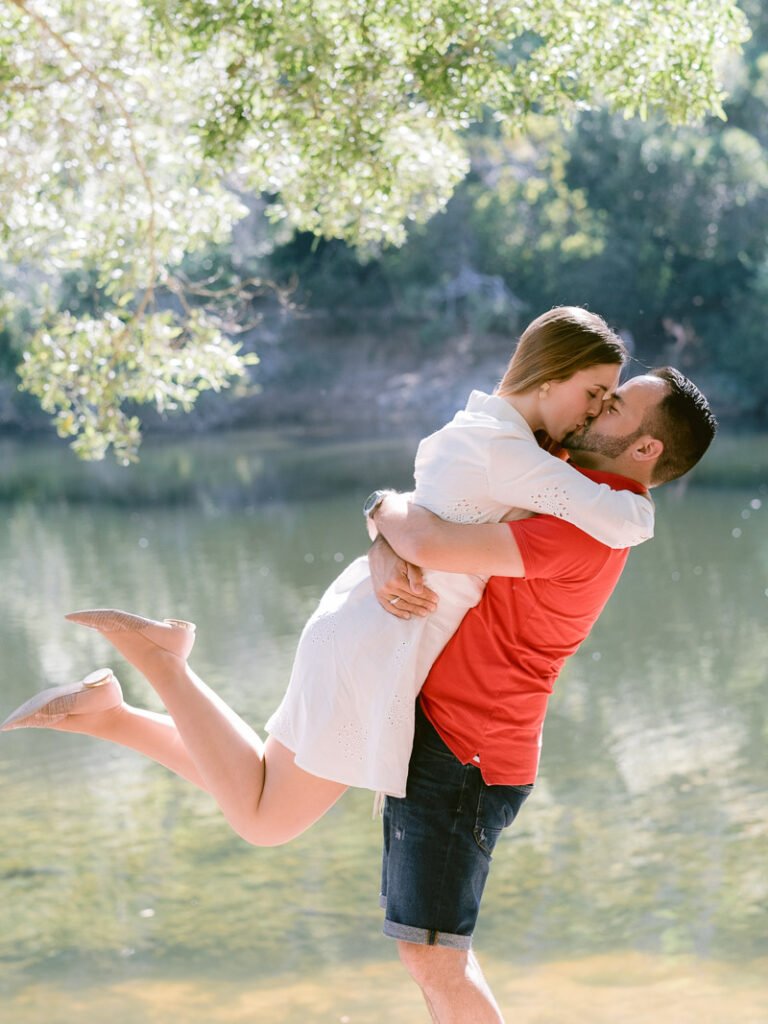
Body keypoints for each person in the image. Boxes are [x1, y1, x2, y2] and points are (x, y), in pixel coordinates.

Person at [1, 307, 654, 848]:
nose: (595, 413)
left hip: (363, 620)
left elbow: (420, 510)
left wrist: (380, 521)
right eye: (593, 394)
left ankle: (110, 716)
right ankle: (163, 663)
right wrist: (644, 496)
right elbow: (616, 520)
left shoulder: (480, 427)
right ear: (548, 376)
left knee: (259, 783)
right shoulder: (513, 454)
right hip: (380, 643)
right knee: (263, 820)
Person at [362, 367, 717, 1022]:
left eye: (612, 406)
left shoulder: (591, 526)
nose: (593, 410)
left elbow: (423, 538)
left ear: (645, 450)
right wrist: (386, 546)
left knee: (435, 956)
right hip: (453, 737)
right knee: (430, 955)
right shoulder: (570, 484)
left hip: (468, 752)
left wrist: (380, 514)